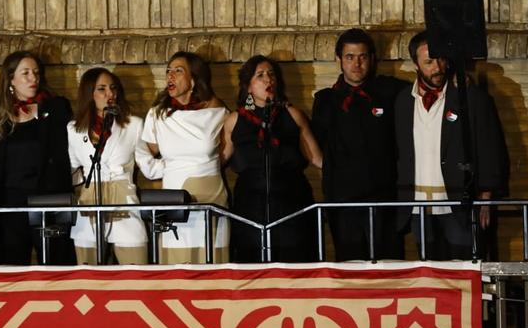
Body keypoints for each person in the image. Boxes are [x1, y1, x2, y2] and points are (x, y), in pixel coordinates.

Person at [394, 31, 508, 260]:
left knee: (465, 268)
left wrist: (486, 198)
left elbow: (490, 147)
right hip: (418, 207)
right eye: (428, 62)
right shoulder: (403, 101)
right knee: (429, 272)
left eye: (441, 59)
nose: (437, 67)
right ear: (415, 64)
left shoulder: (470, 98)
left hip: (459, 205)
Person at [311, 28, 409, 260]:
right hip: (342, 201)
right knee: (350, 266)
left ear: (372, 59)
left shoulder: (392, 91)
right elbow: (315, 146)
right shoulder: (325, 100)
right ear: (339, 60)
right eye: (350, 57)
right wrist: (335, 170)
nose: (357, 64)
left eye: (362, 57)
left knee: (389, 264)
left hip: (385, 197)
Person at [223, 56, 322, 262]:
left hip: (291, 205)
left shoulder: (292, 114)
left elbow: (316, 158)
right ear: (248, 86)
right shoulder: (234, 120)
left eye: (271, 75)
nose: (268, 79)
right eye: (260, 75)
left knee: (295, 262)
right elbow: (219, 159)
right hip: (250, 207)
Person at [0, 51, 76, 265]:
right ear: (11, 79)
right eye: (25, 73)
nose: (33, 78)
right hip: (9, 203)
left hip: (49, 199)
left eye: (36, 72)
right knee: (12, 265)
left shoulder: (56, 107)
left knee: (56, 263)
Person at [138, 51, 230, 264]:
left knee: (211, 263)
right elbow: (144, 151)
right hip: (175, 198)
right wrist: (166, 168)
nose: (170, 75)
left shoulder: (218, 112)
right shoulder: (158, 114)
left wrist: (204, 168)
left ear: (194, 78)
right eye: (168, 71)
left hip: (211, 197)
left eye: (178, 71)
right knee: (177, 265)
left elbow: (225, 153)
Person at [67, 68, 148, 265]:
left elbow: (147, 164)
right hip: (89, 204)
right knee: (87, 274)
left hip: (124, 202)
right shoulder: (74, 129)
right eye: (102, 89)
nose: (110, 94)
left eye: (113, 88)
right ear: (89, 94)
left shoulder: (134, 125)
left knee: (136, 272)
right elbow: (71, 169)